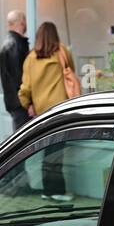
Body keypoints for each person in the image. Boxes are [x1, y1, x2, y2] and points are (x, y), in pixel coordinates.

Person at [19, 22, 78, 196]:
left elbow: (25, 87)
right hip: (62, 108)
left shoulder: (31, 58)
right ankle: (56, 191)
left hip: (41, 111)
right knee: (57, 151)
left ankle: (48, 190)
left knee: (47, 149)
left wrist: (27, 104)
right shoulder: (62, 52)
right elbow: (71, 71)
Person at [0, 10, 30, 132]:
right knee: (24, 142)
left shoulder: (9, 43)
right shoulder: (15, 45)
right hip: (20, 103)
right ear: (21, 22)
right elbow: (19, 77)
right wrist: (28, 102)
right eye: (25, 20)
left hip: (14, 101)